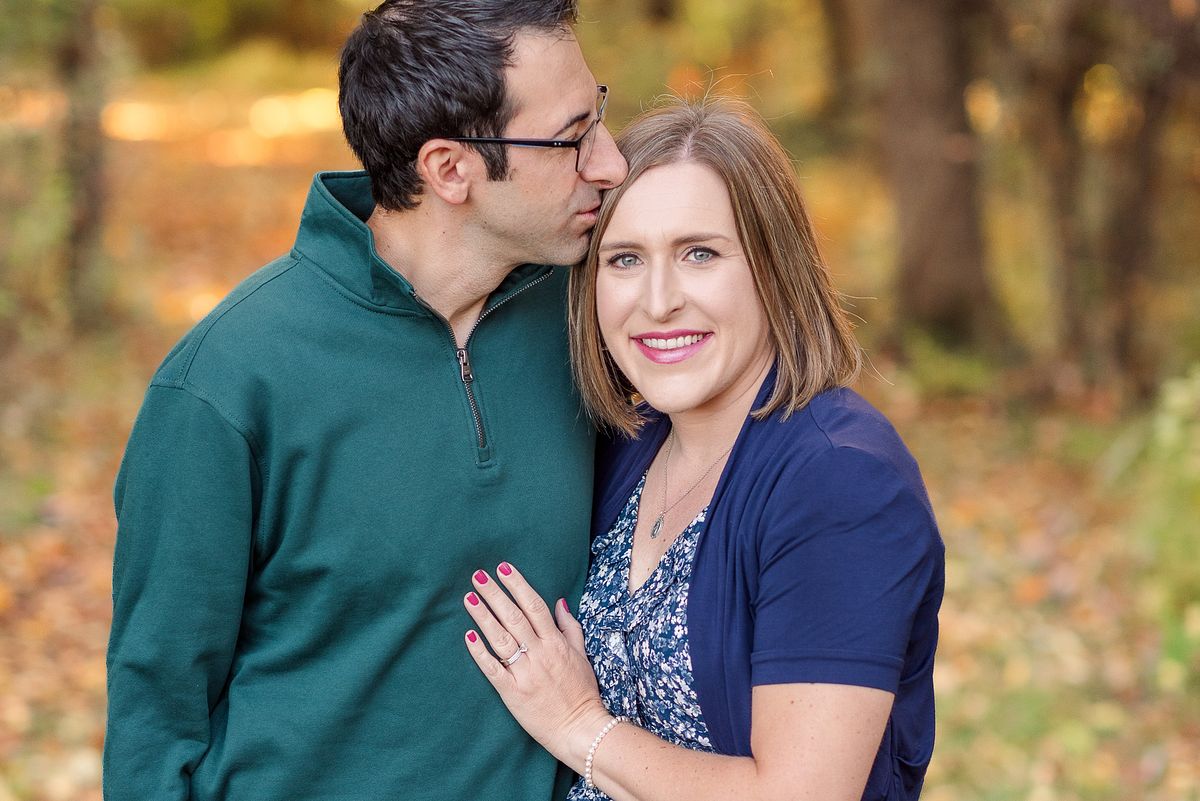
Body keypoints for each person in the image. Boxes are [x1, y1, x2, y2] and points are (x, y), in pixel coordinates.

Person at [104, 2, 626, 799]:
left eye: (602, 117)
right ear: (450, 169)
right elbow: (155, 714)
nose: (610, 163)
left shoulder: (600, 319)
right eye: (571, 138)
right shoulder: (223, 383)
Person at [460, 96, 945, 801]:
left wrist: (578, 725)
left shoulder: (840, 481)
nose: (658, 302)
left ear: (775, 268)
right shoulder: (631, 444)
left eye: (700, 254)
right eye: (625, 259)